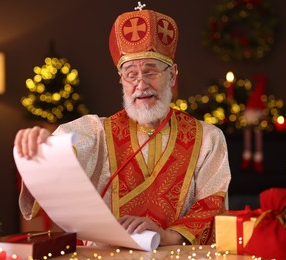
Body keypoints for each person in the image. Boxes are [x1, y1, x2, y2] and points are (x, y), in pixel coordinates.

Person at [14, 7, 231, 246]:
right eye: (131, 74)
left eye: (151, 71)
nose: (141, 84)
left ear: (172, 75)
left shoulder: (208, 138)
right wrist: (42, 145)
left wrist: (166, 236)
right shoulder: (96, 132)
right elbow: (58, 150)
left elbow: (211, 207)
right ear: (120, 79)